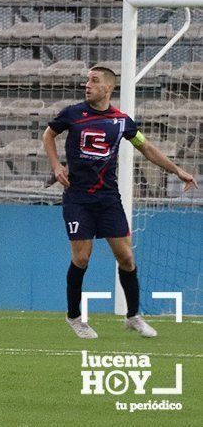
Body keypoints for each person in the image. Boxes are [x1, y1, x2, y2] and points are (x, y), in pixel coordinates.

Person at [43, 66, 197, 339]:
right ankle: (74, 317)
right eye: (87, 81)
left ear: (108, 88)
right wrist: (56, 166)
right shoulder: (72, 114)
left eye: (94, 81)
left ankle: (133, 316)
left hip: (108, 199)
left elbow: (146, 148)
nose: (87, 85)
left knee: (126, 257)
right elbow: (48, 135)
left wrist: (178, 170)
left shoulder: (122, 121)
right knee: (81, 257)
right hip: (78, 198)